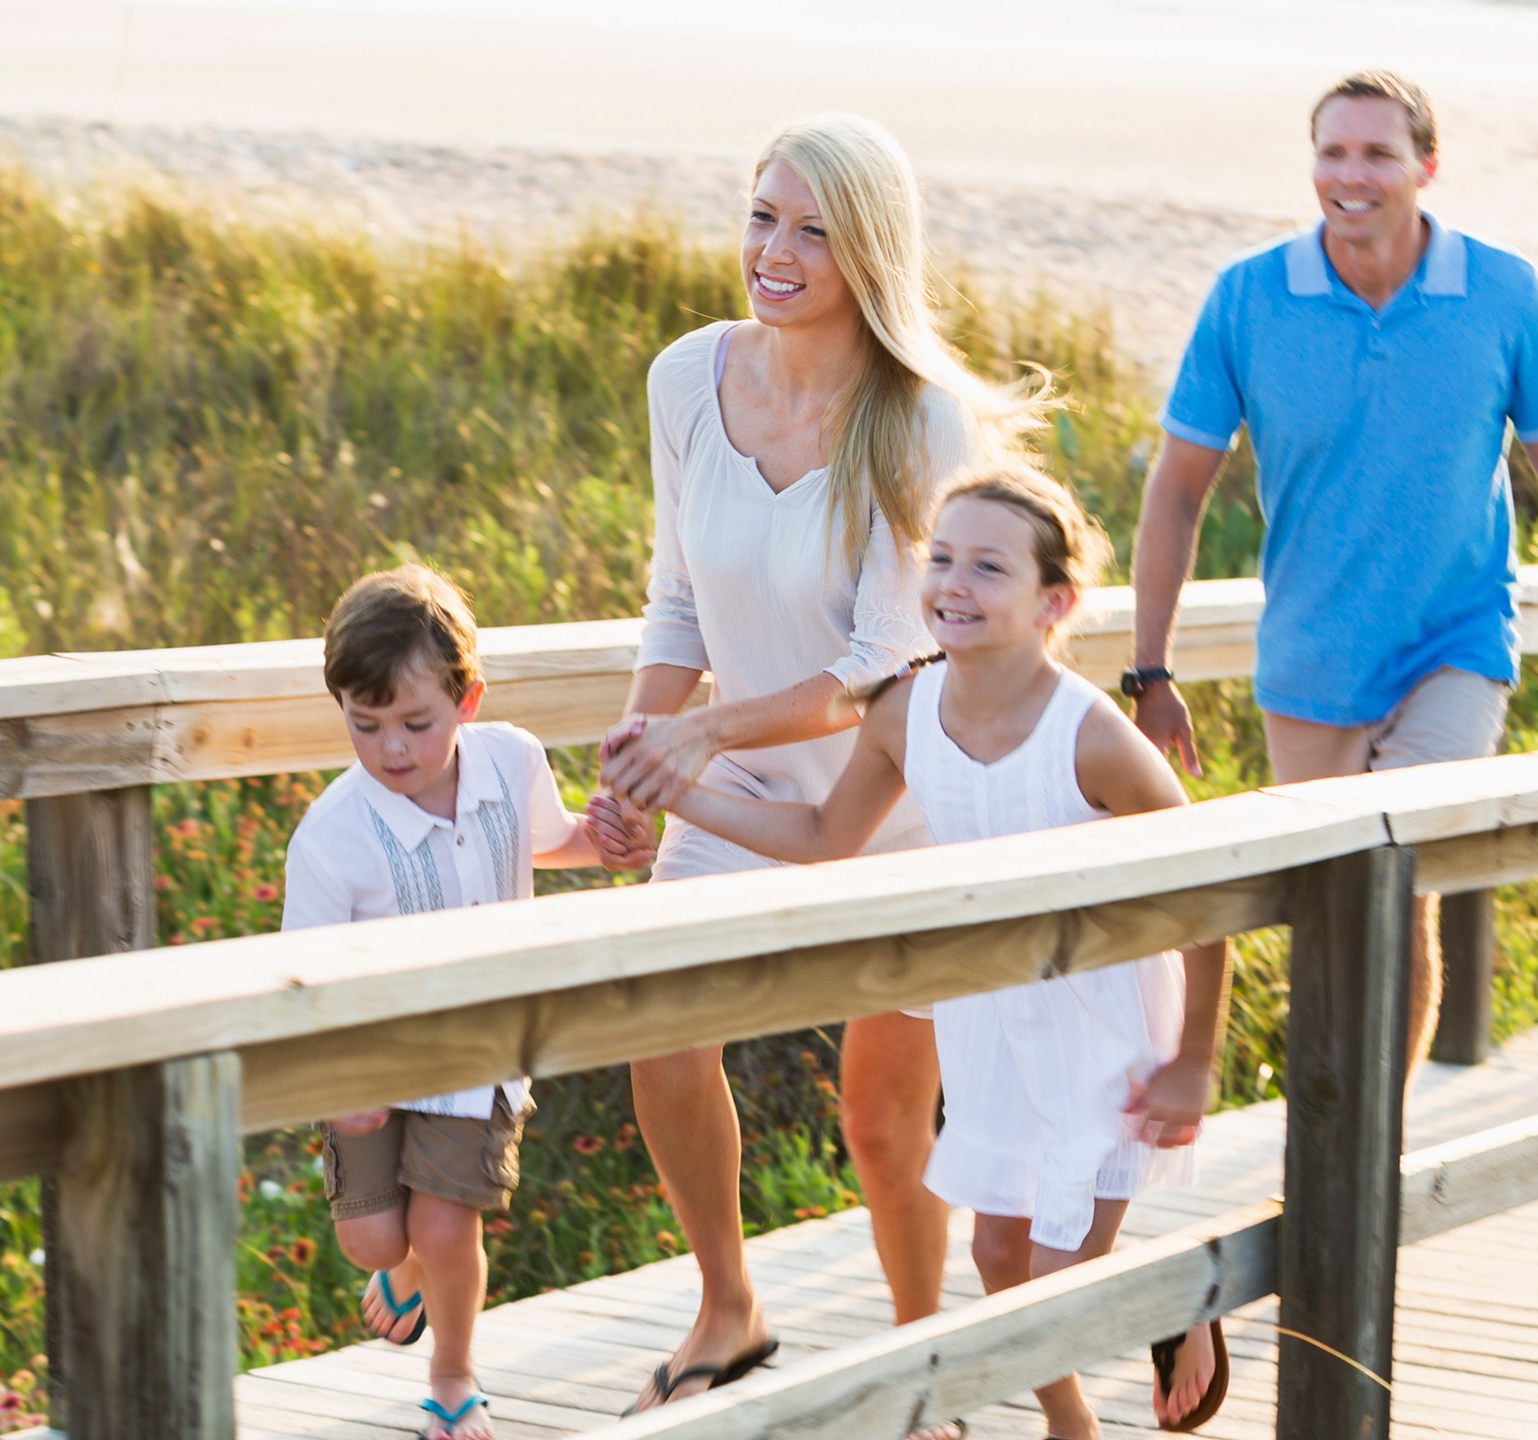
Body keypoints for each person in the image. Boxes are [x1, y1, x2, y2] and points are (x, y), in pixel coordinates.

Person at [627, 465, 1233, 1438]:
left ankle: (1179, 1291)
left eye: (988, 567)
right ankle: (1074, 1422)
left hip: (1105, 1017)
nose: (953, 583)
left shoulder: (1096, 740)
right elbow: (826, 834)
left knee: (1053, 1269)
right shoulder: (906, 711)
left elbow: (1208, 893)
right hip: (993, 1014)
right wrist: (681, 789)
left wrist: (1195, 1057)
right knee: (998, 1254)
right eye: (940, 559)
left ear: (1055, 601)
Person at [597, 112, 1044, 1428]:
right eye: (760, 217)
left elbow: (880, 669)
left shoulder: (920, 422)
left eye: (812, 231)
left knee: (884, 1129)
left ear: (869, 254)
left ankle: (925, 1370)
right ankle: (727, 1305)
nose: (774, 253)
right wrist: (637, 758)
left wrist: (705, 736)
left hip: (891, 801)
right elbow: (677, 601)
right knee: (656, 1027)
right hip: (726, 794)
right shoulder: (689, 379)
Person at [1130, 71, 1538, 1085]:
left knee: (1398, 884)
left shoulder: (1499, 293)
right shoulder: (1248, 299)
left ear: (1424, 168)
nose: (1349, 176)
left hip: (1455, 644)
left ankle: (1373, 1143)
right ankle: (1333, 1121)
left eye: (1375, 154)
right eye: (1331, 152)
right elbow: (1177, 491)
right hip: (1310, 657)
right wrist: (1150, 669)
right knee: (1328, 909)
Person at [281, 564, 653, 1440]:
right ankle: (397, 1272)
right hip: (371, 1055)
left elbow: (545, 841)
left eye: (417, 723)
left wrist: (605, 845)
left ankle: (453, 1378)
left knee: (447, 1228)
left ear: (468, 700)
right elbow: (301, 971)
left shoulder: (512, 761)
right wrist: (334, 1084)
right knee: (377, 1242)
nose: (392, 750)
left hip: (480, 1048)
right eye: (364, 726)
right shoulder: (332, 836)